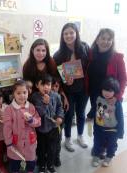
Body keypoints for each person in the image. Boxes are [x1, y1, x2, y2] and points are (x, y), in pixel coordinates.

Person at [85, 28, 127, 159]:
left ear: (112, 41)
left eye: (109, 39)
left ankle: (105, 147)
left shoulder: (117, 57)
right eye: (103, 38)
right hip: (95, 94)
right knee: (98, 119)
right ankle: (98, 144)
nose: (106, 41)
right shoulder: (91, 53)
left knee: (109, 121)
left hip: (109, 96)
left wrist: (118, 96)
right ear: (97, 40)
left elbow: (123, 77)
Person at [53, 23, 90, 152]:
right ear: (62, 36)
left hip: (83, 89)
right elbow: (57, 76)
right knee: (68, 114)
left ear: (76, 34)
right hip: (68, 90)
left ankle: (80, 135)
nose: (68, 36)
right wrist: (65, 82)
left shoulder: (85, 47)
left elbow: (90, 66)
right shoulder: (58, 55)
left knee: (81, 113)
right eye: (65, 33)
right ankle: (68, 138)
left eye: (71, 32)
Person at [3, 80, 41, 173]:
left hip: (29, 140)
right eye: (18, 93)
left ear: (28, 93)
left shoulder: (31, 107)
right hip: (16, 141)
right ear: (13, 94)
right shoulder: (9, 109)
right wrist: (8, 142)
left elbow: (38, 122)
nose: (22, 95)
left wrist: (31, 120)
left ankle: (30, 171)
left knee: (30, 158)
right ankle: (15, 171)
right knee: (15, 159)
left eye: (24, 92)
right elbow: (7, 128)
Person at [86, 76, 124, 167]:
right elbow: (94, 108)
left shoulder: (117, 103)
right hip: (99, 128)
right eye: (105, 90)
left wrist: (120, 132)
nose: (107, 93)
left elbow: (120, 118)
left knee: (112, 145)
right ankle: (96, 156)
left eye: (110, 91)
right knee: (97, 143)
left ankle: (109, 157)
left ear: (115, 92)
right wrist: (89, 116)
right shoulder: (98, 98)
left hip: (112, 130)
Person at [23, 38, 69, 110]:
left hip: (50, 94)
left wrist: (63, 95)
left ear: (47, 51)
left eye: (43, 50)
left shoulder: (51, 62)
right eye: (38, 50)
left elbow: (56, 80)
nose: (41, 53)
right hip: (34, 97)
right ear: (32, 51)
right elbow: (25, 84)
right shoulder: (27, 65)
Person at [32, 73, 64, 173]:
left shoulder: (55, 95)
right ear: (37, 85)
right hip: (41, 129)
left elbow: (60, 107)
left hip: (53, 128)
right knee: (41, 148)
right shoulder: (35, 97)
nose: (46, 87)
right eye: (43, 84)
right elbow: (37, 114)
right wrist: (45, 103)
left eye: (49, 84)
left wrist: (60, 117)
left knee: (52, 148)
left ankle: (50, 166)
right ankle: (42, 166)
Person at [51, 74, 66, 167]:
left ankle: (57, 155)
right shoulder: (45, 97)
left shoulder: (61, 97)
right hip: (48, 125)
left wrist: (61, 115)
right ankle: (47, 155)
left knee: (58, 140)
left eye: (56, 86)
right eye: (51, 85)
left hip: (59, 125)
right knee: (48, 141)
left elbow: (64, 110)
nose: (53, 88)